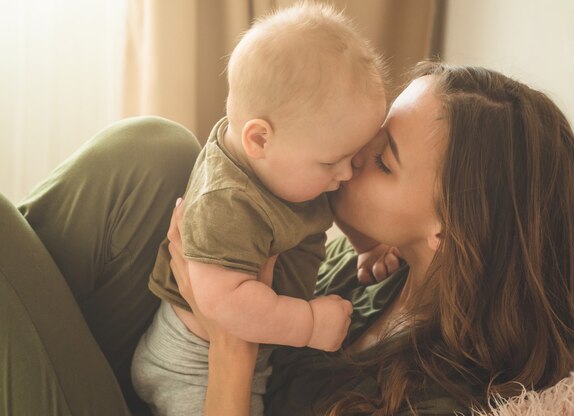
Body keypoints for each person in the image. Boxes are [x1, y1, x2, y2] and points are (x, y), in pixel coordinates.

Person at [0, 61, 574, 416]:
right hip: (150, 379)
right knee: (153, 150)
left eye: (383, 162)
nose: (354, 154)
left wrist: (230, 338)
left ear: (449, 233)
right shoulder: (381, 270)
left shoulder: (435, 396)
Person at [130, 3, 388, 416]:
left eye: (352, 156)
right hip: (190, 363)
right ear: (260, 140)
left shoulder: (292, 161)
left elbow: (335, 202)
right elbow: (221, 304)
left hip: (235, 352)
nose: (345, 173)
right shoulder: (227, 201)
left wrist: (367, 243)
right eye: (331, 162)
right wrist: (307, 324)